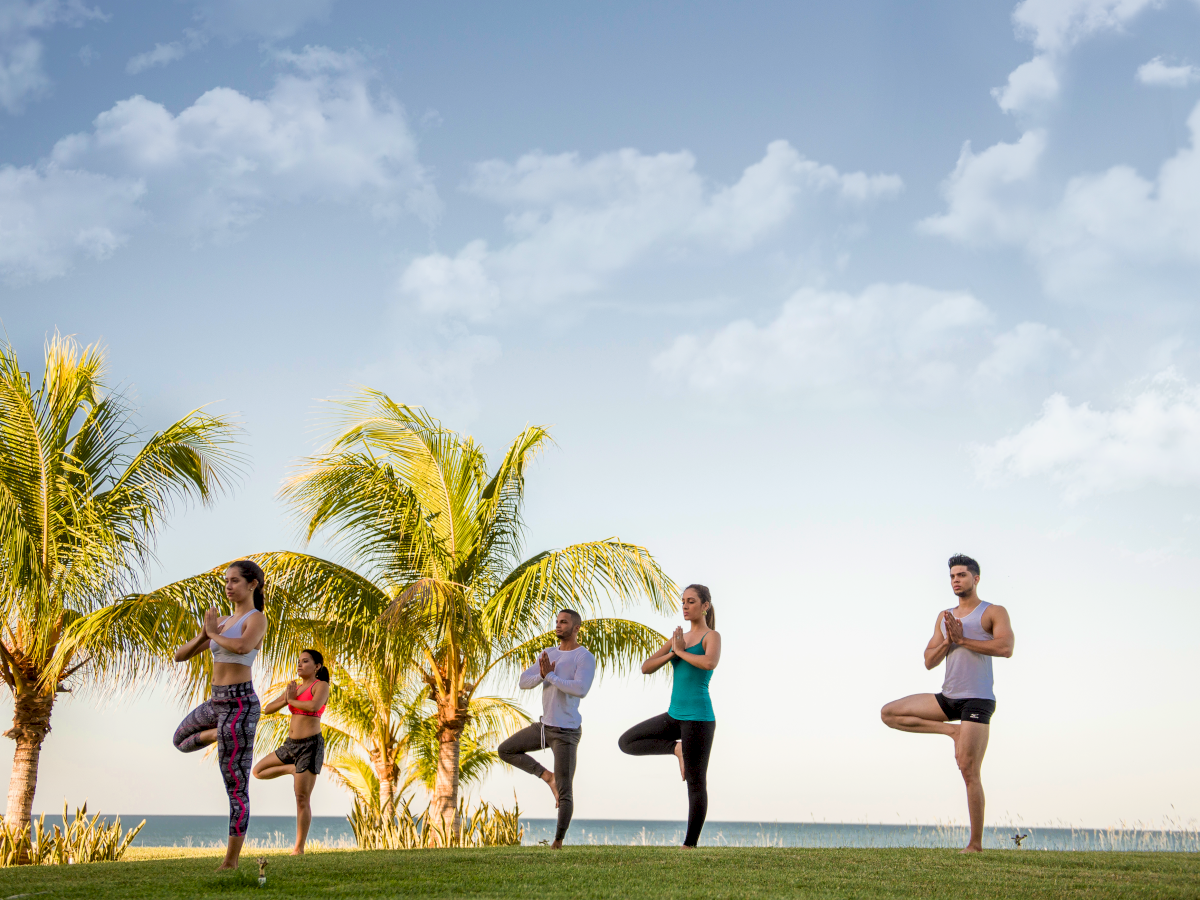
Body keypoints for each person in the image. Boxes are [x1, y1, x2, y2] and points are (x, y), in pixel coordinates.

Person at [880, 554, 1015, 853]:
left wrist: (964, 640)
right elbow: (929, 661)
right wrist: (948, 640)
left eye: (962, 575)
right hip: (948, 697)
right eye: (952, 576)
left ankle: (975, 845)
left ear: (976, 579)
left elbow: (1006, 648)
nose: (956, 580)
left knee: (968, 770)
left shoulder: (992, 612)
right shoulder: (944, 617)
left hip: (977, 699)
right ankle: (950, 732)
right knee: (889, 713)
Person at [172, 559, 267, 870]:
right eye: (226, 580)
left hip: (241, 705)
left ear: (252, 584)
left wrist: (215, 634)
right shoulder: (222, 623)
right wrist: (205, 635)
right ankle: (220, 735)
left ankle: (231, 861)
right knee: (180, 739)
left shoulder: (256, 619)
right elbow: (179, 655)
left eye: (235, 580)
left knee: (235, 786)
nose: (228, 585)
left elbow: (242, 647)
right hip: (217, 703)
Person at [618, 584, 721, 849]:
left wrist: (680, 652)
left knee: (696, 784)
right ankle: (677, 749)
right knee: (627, 742)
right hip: (674, 715)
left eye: (691, 601)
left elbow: (709, 663)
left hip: (699, 718)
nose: (685, 606)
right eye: (683, 601)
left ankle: (689, 845)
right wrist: (673, 652)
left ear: (705, 606)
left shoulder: (712, 636)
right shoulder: (678, 638)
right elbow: (646, 667)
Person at [498, 609, 596, 849]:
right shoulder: (548, 654)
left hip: (566, 733)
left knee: (565, 790)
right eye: (557, 622)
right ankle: (546, 776)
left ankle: (558, 841)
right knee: (505, 750)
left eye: (564, 622)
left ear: (576, 628)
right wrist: (543, 675)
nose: (558, 626)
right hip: (544, 727)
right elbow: (523, 681)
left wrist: (550, 676)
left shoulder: (584, 657)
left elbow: (580, 689)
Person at [253, 649, 331, 855]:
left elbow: (314, 705)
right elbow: (267, 709)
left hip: (310, 746)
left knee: (302, 798)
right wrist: (287, 698)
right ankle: (291, 770)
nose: (300, 664)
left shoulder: (320, 685)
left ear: (317, 667)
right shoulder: (294, 688)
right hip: (290, 745)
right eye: (299, 661)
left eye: (305, 661)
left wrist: (291, 700)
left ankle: (299, 848)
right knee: (258, 771)